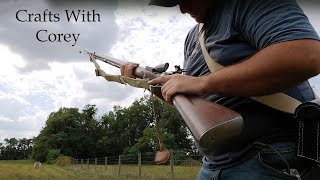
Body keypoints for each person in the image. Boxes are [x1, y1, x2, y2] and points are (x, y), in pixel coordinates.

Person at [121, 0, 320, 179]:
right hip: (214, 164)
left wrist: (202, 83)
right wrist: (148, 83)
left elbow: (307, 55)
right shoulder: (192, 37)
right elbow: (196, 100)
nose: (182, 9)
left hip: (267, 157)